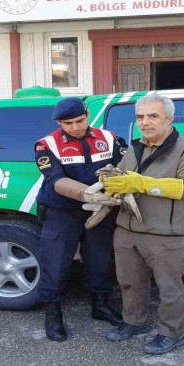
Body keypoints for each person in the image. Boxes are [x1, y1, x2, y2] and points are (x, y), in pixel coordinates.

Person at [102, 94, 184, 355]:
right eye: (140, 117)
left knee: (169, 288)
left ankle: (170, 333)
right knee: (130, 282)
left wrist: (142, 183)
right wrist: (111, 183)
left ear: (169, 119)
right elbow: (122, 177)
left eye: (153, 116)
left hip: (163, 234)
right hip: (127, 230)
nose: (145, 122)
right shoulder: (135, 147)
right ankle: (133, 322)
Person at [34, 97, 126, 342]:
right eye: (68, 123)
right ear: (59, 122)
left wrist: (114, 193)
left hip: (101, 209)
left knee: (100, 259)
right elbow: (54, 179)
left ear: (87, 116)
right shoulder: (46, 144)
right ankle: (53, 315)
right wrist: (86, 193)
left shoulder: (109, 138)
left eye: (80, 121)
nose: (75, 127)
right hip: (62, 211)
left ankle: (101, 305)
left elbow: (122, 168)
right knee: (55, 263)